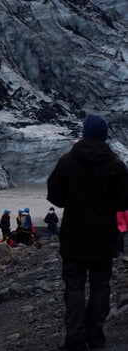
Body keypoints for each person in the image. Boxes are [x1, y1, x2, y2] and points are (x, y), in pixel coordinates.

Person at [47, 113, 128, 351]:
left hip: (74, 237)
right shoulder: (116, 165)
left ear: (84, 133)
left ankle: (74, 338)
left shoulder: (67, 162)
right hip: (105, 238)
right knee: (101, 286)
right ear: (104, 135)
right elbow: (125, 202)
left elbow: (55, 197)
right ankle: (96, 338)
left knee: (74, 287)